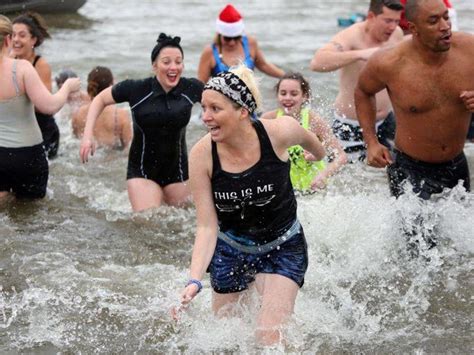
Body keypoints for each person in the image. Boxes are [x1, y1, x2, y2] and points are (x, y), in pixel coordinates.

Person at [174, 66, 325, 345]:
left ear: (242, 111)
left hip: (283, 245)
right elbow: (207, 226)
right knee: (227, 340)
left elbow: (318, 147)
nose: (205, 117)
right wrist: (194, 280)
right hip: (232, 249)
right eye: (203, 108)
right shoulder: (202, 155)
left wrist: (317, 159)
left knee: (269, 338)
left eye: (215, 109)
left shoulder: (280, 132)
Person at [354, 0, 474, 251]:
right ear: (413, 28)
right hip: (410, 170)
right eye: (433, 21)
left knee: (462, 248)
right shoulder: (389, 62)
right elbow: (363, 91)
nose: (445, 27)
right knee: (420, 252)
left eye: (446, 17)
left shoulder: (469, 49)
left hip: (456, 164)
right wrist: (371, 142)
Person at [80, 33, 203, 212]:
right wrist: (87, 135)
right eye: (166, 62)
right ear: (154, 65)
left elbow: (220, 103)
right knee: (148, 223)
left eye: (178, 61)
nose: (173, 67)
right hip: (142, 173)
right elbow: (99, 99)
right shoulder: (137, 89)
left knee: (181, 227)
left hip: (179, 173)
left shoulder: (191, 88)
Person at [310, 0, 404, 162]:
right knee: (349, 176)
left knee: (393, 173)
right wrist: (361, 54)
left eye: (396, 21)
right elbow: (317, 62)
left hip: (387, 120)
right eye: (388, 21)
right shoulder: (351, 36)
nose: (392, 27)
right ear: (371, 16)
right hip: (350, 124)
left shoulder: (397, 34)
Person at [0, 15, 80, 201]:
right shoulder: (21, 68)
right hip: (27, 154)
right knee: (31, 216)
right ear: (7, 39)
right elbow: (49, 107)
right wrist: (67, 87)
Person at [261, 72, 347, 191]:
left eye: (294, 94)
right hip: (282, 189)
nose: (287, 98)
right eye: (283, 93)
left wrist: (323, 175)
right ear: (277, 96)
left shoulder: (314, 121)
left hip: (312, 189)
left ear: (305, 96)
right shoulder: (268, 119)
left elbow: (341, 156)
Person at [12, 12, 61, 159]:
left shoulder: (41, 65)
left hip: (43, 130)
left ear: (33, 39)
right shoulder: (8, 60)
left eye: (22, 35)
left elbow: (44, 108)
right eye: (13, 35)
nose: (16, 40)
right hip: (18, 128)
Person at [197, 3, 285, 83]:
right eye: (228, 38)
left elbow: (264, 66)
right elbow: (201, 84)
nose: (232, 43)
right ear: (220, 34)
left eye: (236, 37)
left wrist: (287, 77)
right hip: (221, 99)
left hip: (249, 98)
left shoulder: (250, 43)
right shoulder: (210, 52)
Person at [73, 66, 132, 149]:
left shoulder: (77, 114)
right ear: (111, 86)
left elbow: (75, 141)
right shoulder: (121, 116)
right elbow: (129, 148)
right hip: (111, 159)